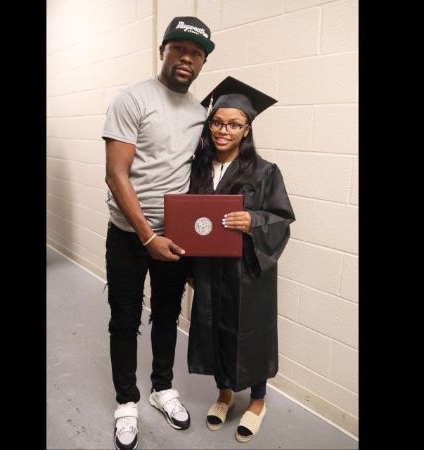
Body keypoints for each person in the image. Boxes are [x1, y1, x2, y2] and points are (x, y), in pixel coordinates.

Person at [101, 16, 215, 450]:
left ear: (202, 62)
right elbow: (116, 175)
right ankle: (126, 401)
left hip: (176, 237)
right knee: (124, 320)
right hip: (130, 237)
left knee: (167, 316)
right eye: (180, 48)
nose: (187, 58)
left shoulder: (200, 113)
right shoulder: (132, 99)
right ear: (164, 50)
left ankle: (162, 388)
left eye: (197, 53)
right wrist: (148, 236)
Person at [187, 76, 296, 443]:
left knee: (250, 332)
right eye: (217, 122)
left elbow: (281, 218)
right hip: (209, 269)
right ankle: (224, 394)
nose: (223, 130)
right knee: (215, 325)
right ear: (210, 124)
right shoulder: (198, 168)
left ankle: (257, 401)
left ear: (247, 129)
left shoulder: (265, 172)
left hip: (247, 272)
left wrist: (253, 221)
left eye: (234, 124)